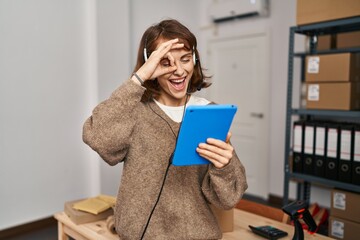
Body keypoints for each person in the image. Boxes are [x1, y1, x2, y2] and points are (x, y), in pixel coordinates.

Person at [83, 19, 247, 240]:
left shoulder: (210, 114)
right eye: (165, 62)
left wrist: (224, 166)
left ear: (195, 60)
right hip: (139, 234)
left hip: (195, 234)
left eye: (185, 59)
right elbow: (98, 137)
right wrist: (138, 79)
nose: (178, 70)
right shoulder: (133, 110)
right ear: (151, 64)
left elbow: (227, 199)